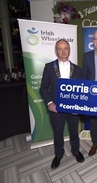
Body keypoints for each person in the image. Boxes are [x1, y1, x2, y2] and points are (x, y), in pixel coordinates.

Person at [40, 39, 84, 169]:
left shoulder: (77, 69)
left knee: (74, 131)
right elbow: (43, 88)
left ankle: (75, 150)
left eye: (66, 48)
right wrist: (49, 102)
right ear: (56, 50)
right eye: (60, 48)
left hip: (72, 108)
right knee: (58, 132)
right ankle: (58, 154)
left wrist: (78, 106)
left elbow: (82, 89)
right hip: (56, 107)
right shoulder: (49, 67)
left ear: (69, 50)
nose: (63, 51)